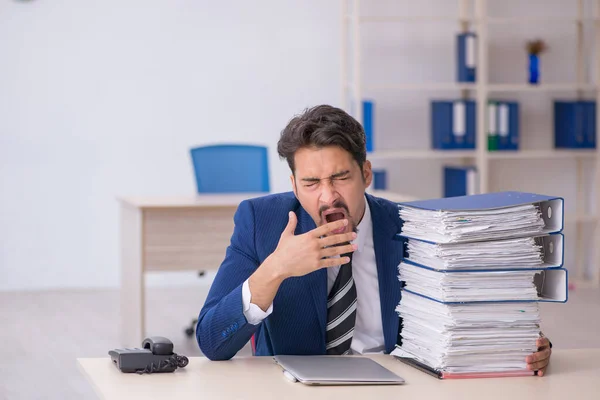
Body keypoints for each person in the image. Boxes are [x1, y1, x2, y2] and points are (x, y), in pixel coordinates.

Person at [195, 105, 552, 376]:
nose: (328, 197)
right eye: (311, 183)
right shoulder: (262, 222)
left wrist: (519, 344)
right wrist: (274, 270)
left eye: (340, 177)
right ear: (293, 185)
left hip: (399, 384)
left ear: (366, 174)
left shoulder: (412, 227)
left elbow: (467, 313)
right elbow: (212, 342)